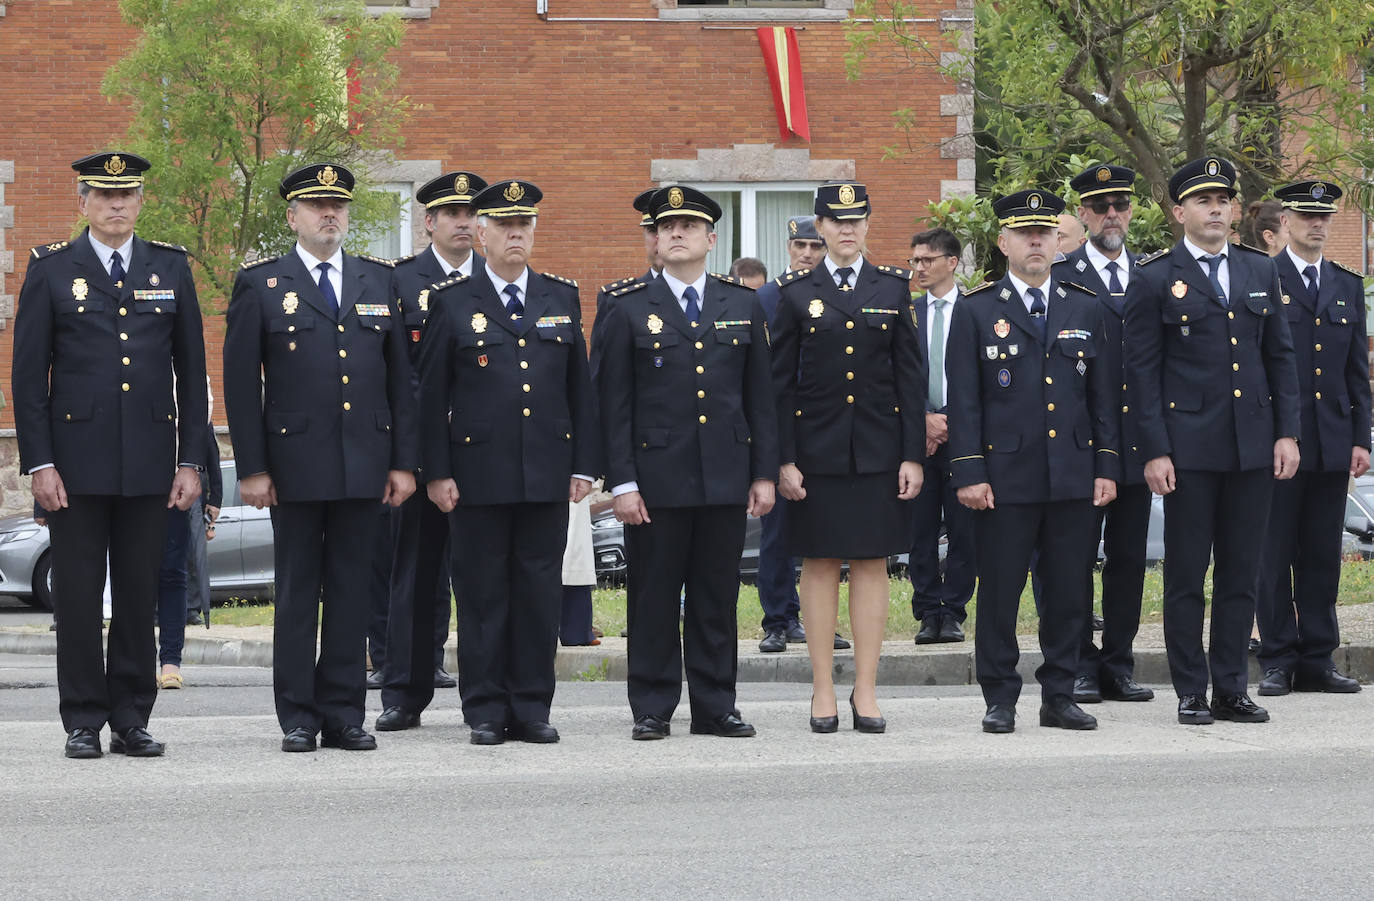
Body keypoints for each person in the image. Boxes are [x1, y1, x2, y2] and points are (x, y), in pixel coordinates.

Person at [12, 151, 208, 759]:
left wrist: (192, 461)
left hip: (150, 463)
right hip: (73, 468)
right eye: (103, 195)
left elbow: (193, 372)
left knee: (137, 592)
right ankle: (81, 718)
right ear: (84, 203)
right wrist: (39, 462)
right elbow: (27, 378)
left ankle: (130, 715)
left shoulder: (169, 267)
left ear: (141, 202)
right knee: (75, 595)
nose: (116, 204)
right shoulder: (50, 270)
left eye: (126, 195)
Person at [223, 162, 417, 752]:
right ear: (292, 216)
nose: (329, 214)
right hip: (294, 467)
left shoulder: (377, 281)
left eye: (338, 206)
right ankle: (299, 716)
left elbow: (399, 379)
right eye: (316, 206)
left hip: (364, 462)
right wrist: (252, 466)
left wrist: (402, 461)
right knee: (299, 592)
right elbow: (238, 381)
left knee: (353, 592)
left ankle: (343, 713)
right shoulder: (262, 283)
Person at [594, 184, 778, 741]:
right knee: (651, 596)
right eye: (666, 226)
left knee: (716, 598)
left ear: (711, 238)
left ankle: (715, 705)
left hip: (724, 475)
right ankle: (652, 705)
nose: (677, 233)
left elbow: (760, 398)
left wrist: (764, 472)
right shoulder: (624, 305)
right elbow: (612, 403)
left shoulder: (741, 303)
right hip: (654, 481)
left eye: (689, 226)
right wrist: (622, 481)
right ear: (653, 238)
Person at [419, 179, 599, 745]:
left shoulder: (558, 296)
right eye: (504, 224)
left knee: (538, 594)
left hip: (546, 473)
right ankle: (486, 710)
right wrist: (437, 471)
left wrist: (584, 466)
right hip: (477, 476)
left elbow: (580, 391)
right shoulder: (451, 300)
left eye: (525, 224)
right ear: (482, 232)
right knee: (482, 595)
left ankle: (531, 707)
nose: (516, 233)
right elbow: (430, 397)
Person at [1124, 157, 1300, 726]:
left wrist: (1287, 434)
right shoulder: (1153, 277)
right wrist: (1154, 448)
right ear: (1179, 212)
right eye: (1203, 200)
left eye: (1224, 199)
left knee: (1240, 574)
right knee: (1186, 576)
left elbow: (1280, 357)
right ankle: (1191, 689)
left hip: (1252, 445)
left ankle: (1231, 687)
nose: (1217, 209)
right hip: (1189, 450)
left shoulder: (1258, 271)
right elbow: (1141, 374)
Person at [946, 189, 1119, 734]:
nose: (1037, 241)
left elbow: (1104, 399)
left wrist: (1107, 466)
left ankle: (1061, 693)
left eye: (1044, 232)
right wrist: (969, 472)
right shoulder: (976, 310)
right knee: (999, 592)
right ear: (1004, 242)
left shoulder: (1086, 306)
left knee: (1069, 592)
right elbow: (965, 401)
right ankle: (1000, 696)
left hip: (1071, 474)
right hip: (1004, 479)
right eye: (1025, 233)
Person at [772, 181, 925, 734]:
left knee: (870, 563)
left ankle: (865, 688)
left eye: (856, 219)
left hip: (879, 452)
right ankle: (821, 689)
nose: (846, 228)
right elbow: (779, 386)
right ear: (818, 226)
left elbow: (911, 378)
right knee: (817, 563)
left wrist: (913, 455)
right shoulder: (794, 292)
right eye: (835, 220)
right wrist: (783, 460)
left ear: (867, 225)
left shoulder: (892, 287)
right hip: (815, 454)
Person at [375, 170, 488, 732]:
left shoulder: (499, 279)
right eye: (453, 215)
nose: (464, 223)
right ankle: (404, 692)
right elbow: (393, 376)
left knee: (483, 580)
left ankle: (486, 696)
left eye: (472, 215)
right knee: (414, 578)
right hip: (420, 458)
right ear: (430, 222)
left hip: (483, 457)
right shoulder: (399, 281)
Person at [1255, 180, 1369, 696]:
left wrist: (1361, 439)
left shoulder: (1346, 284)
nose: (1318, 225)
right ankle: (1277, 657)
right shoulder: (1262, 278)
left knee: (1323, 554)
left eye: (1325, 217)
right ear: (1284, 223)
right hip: (1281, 442)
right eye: (1307, 217)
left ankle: (1319, 656)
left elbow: (1355, 372)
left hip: (1331, 440)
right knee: (1274, 552)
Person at [1058, 164, 1155, 704]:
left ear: (1131, 210)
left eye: (1120, 203)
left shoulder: (1155, 274)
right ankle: (1077, 664)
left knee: (1128, 562)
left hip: (1138, 443)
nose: (1111, 214)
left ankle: (1118, 663)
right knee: (1073, 560)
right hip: (1080, 445)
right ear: (1083, 215)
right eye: (1100, 206)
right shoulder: (1061, 273)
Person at [753, 215, 849, 654]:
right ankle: (777, 618)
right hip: (778, 426)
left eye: (815, 246)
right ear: (788, 248)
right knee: (777, 530)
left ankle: (818, 620)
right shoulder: (767, 297)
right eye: (800, 246)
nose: (808, 254)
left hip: (825, 429)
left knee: (824, 532)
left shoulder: (839, 293)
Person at [907, 227, 974, 644]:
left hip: (964, 436)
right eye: (914, 261)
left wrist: (950, 420)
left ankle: (954, 610)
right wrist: (923, 420)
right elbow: (894, 377)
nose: (918, 269)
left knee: (966, 530)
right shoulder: (907, 313)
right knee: (920, 529)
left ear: (951, 262)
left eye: (927, 260)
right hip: (918, 435)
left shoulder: (975, 310)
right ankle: (927, 610)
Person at [185, 421, 222, 628]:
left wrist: (215, 500)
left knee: (194, 553)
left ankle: (191, 607)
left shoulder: (202, 424)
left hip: (196, 492)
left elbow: (214, 463)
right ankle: (157, 607)